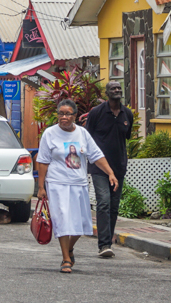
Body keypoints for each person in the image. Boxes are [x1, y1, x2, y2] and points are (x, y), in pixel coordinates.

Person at [37, 99, 119, 274]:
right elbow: (43, 161)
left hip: (79, 183)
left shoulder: (82, 133)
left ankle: (70, 248)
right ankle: (66, 258)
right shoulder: (50, 134)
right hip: (57, 183)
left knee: (81, 224)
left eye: (68, 114)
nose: (64, 117)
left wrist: (110, 173)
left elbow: (96, 155)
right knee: (62, 220)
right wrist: (41, 187)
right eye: (61, 113)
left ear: (75, 116)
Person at [86, 81, 134, 258]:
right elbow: (87, 138)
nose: (117, 91)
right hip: (99, 167)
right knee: (104, 202)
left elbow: (125, 138)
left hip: (119, 166)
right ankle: (104, 244)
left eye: (119, 88)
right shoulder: (96, 113)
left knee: (114, 206)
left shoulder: (127, 114)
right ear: (106, 93)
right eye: (113, 89)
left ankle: (109, 242)